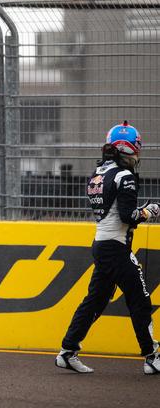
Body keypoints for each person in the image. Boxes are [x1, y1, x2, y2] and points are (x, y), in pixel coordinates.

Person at [55, 121, 160, 375]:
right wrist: (150, 211)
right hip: (116, 248)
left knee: (95, 301)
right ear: (131, 149)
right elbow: (127, 215)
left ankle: (67, 351)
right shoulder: (125, 176)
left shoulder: (98, 173)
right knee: (140, 300)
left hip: (101, 244)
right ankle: (152, 356)